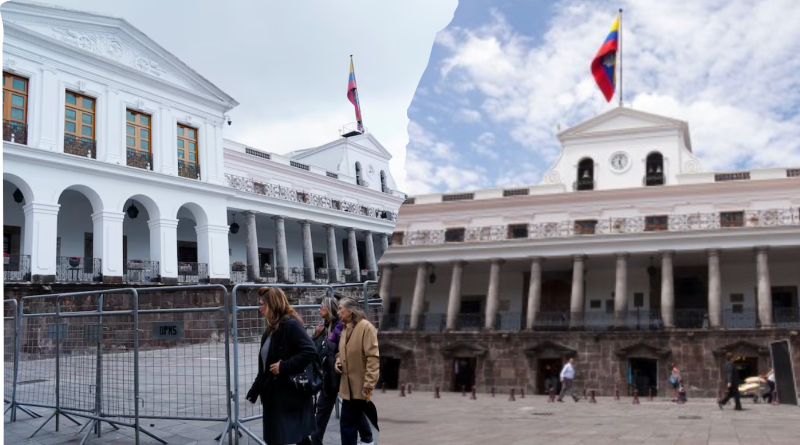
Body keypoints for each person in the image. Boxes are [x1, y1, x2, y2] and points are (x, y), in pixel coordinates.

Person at [246, 287, 317, 445]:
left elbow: (310, 350)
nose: (260, 308)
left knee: (296, 437)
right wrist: (255, 390)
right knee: (285, 436)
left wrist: (284, 366)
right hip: (274, 394)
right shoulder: (270, 331)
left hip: (289, 394)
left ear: (272, 304)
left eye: (262, 304)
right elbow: (265, 366)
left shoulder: (290, 324)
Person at [311, 296, 374, 445]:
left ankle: (367, 437)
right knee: (324, 408)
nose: (319, 309)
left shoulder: (343, 327)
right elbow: (317, 350)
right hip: (329, 376)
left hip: (344, 376)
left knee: (350, 410)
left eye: (322, 306)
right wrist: (315, 336)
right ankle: (316, 440)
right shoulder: (324, 328)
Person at [334, 298, 380, 445]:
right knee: (347, 424)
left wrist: (369, 383)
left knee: (376, 417)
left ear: (350, 311)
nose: (338, 311)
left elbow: (373, 357)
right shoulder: (345, 327)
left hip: (363, 387)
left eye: (340, 308)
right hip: (349, 388)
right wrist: (338, 360)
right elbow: (343, 351)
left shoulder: (366, 327)